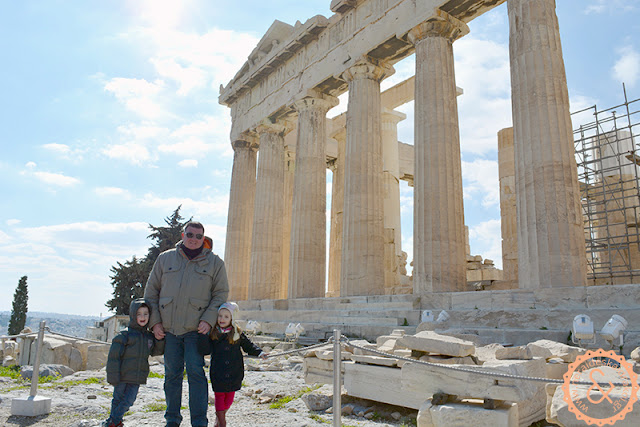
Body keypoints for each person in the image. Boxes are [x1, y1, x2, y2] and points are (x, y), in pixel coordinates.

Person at [144, 221, 229, 427]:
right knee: (171, 376)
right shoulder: (165, 258)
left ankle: (199, 423)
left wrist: (208, 320)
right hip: (169, 330)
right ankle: (172, 421)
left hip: (196, 331)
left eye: (198, 236)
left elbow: (221, 295)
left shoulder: (215, 262)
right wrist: (154, 323)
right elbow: (151, 292)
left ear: (204, 238)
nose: (194, 239)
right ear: (183, 235)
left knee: (196, 375)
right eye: (190, 234)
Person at [198, 302, 267, 427]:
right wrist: (202, 336)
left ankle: (218, 421)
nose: (222, 319)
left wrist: (260, 352)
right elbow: (206, 350)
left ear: (232, 318)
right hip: (218, 373)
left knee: (228, 401)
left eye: (226, 316)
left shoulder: (237, 333)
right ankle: (222, 422)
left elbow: (249, 346)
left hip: (234, 372)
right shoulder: (213, 333)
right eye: (220, 316)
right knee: (219, 398)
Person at [104, 298, 164, 427]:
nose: (142, 317)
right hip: (122, 376)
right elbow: (114, 358)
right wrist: (113, 377)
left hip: (136, 378)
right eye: (139, 314)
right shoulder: (124, 336)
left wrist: (159, 339)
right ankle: (115, 422)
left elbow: (155, 351)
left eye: (145, 314)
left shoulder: (148, 336)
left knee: (129, 400)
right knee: (118, 400)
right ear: (133, 315)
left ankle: (112, 421)